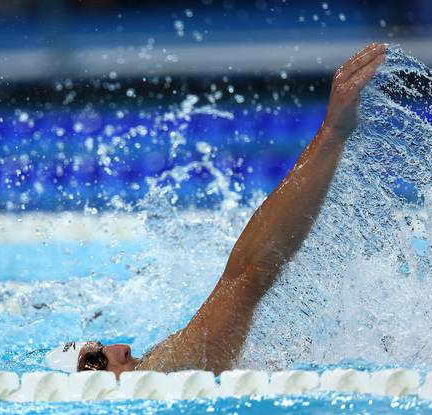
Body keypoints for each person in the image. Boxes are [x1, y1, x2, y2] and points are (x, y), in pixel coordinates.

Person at [77, 43, 387, 378]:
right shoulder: (164, 370)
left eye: (101, 348)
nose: (121, 348)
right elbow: (248, 273)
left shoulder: (161, 370)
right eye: (98, 361)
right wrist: (332, 133)